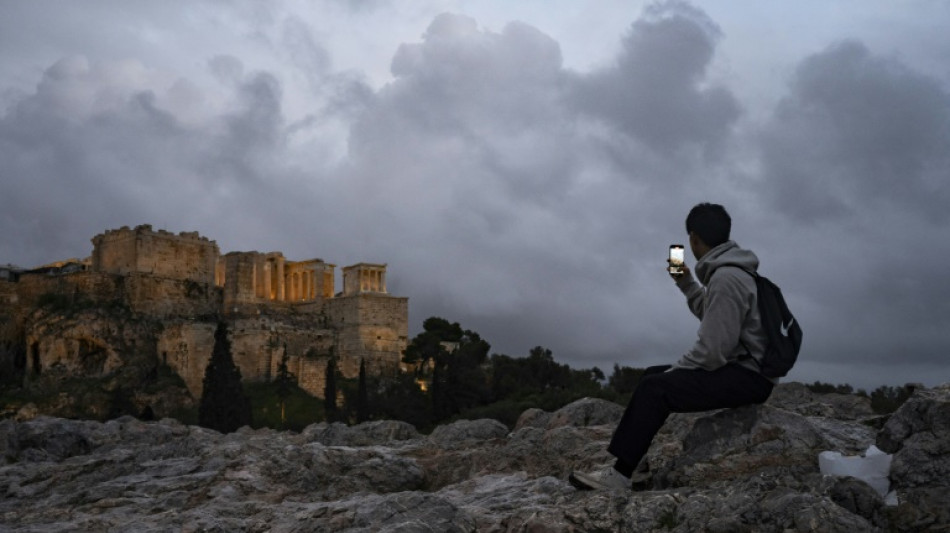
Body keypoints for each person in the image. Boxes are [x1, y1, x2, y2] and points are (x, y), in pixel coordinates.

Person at [569, 203, 776, 491]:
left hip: (749, 377)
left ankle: (619, 476)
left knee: (656, 388)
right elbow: (712, 312)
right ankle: (636, 466)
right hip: (747, 370)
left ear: (693, 238)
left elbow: (711, 352)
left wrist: (674, 373)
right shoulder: (733, 271)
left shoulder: (727, 278)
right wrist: (685, 282)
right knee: (652, 376)